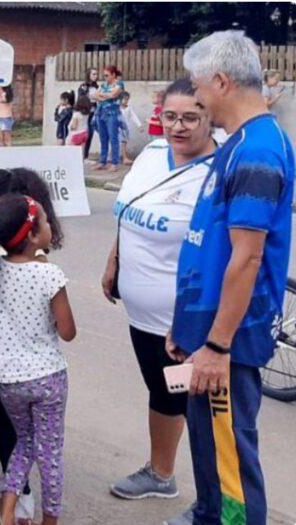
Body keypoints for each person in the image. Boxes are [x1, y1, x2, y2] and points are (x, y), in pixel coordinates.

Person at [164, 30, 295, 525]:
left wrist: (217, 345)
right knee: (208, 448)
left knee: (231, 463)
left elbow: (247, 258)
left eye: (198, 87)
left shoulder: (258, 151)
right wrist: (187, 327)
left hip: (228, 342)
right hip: (206, 333)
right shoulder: (238, 143)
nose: (196, 98)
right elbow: (212, 245)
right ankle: (207, 515)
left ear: (221, 81)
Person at [99, 78, 217, 504]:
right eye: (170, 116)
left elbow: (224, 254)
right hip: (140, 312)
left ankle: (215, 500)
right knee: (161, 389)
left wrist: (197, 325)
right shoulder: (151, 154)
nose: (177, 126)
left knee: (190, 401)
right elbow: (128, 211)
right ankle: (161, 473)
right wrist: (115, 259)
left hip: (180, 323)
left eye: (190, 118)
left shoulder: (218, 172)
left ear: (210, 117)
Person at [0, 195, 77, 525]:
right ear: (34, 235)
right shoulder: (49, 275)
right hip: (47, 379)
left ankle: (8, 512)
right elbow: (68, 331)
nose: (50, 225)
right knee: (50, 454)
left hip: (7, 380)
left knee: (24, 442)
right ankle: (49, 522)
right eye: (46, 221)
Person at [93, 65, 126, 172]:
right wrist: (105, 96)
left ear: (113, 75)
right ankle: (102, 161)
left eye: (107, 75)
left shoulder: (119, 84)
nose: (105, 77)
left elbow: (113, 95)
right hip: (101, 112)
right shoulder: (103, 85)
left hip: (112, 114)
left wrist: (102, 95)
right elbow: (95, 96)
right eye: (104, 75)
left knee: (113, 138)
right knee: (103, 138)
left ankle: (114, 163)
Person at [77, 68, 100, 161]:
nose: (95, 76)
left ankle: (85, 156)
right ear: (89, 75)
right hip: (85, 113)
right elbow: (81, 98)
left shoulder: (96, 87)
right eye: (93, 74)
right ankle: (81, 155)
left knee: (90, 133)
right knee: (84, 133)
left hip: (94, 113)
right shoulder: (83, 87)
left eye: (96, 74)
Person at [119, 91, 142, 165]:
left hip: (125, 129)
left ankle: (124, 157)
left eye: (127, 100)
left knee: (124, 143)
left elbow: (133, 116)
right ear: (120, 99)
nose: (126, 101)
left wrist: (139, 125)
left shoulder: (128, 108)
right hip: (117, 128)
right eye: (125, 99)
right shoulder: (116, 108)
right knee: (118, 143)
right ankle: (123, 157)